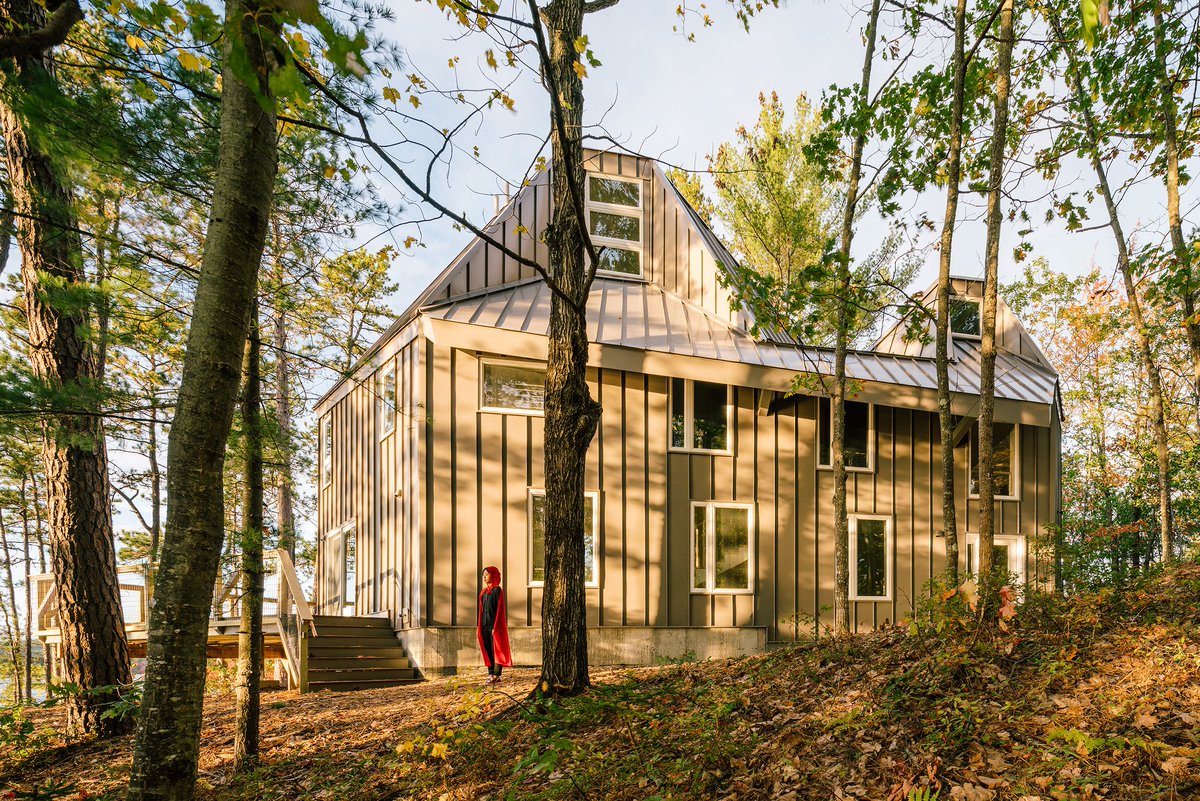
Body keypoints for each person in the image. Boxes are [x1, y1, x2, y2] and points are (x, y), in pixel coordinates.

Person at [477, 566, 512, 685]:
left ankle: (497, 674)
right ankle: (491, 673)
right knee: (488, 649)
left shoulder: (497, 590)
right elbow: (482, 611)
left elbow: (499, 610)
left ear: (494, 575)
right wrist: (481, 626)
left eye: (487, 574)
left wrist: (495, 627)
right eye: (483, 575)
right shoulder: (483, 592)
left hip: (494, 626)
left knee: (496, 649)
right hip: (484, 625)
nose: (484, 577)